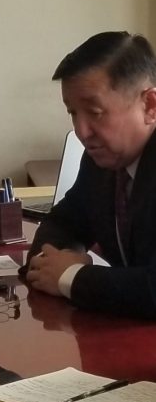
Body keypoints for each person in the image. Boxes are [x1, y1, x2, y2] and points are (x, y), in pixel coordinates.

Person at [25, 31, 156, 318]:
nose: (81, 132)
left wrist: (70, 276)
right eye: (73, 113)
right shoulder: (101, 162)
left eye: (95, 112)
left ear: (150, 106)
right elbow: (65, 221)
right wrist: (50, 262)